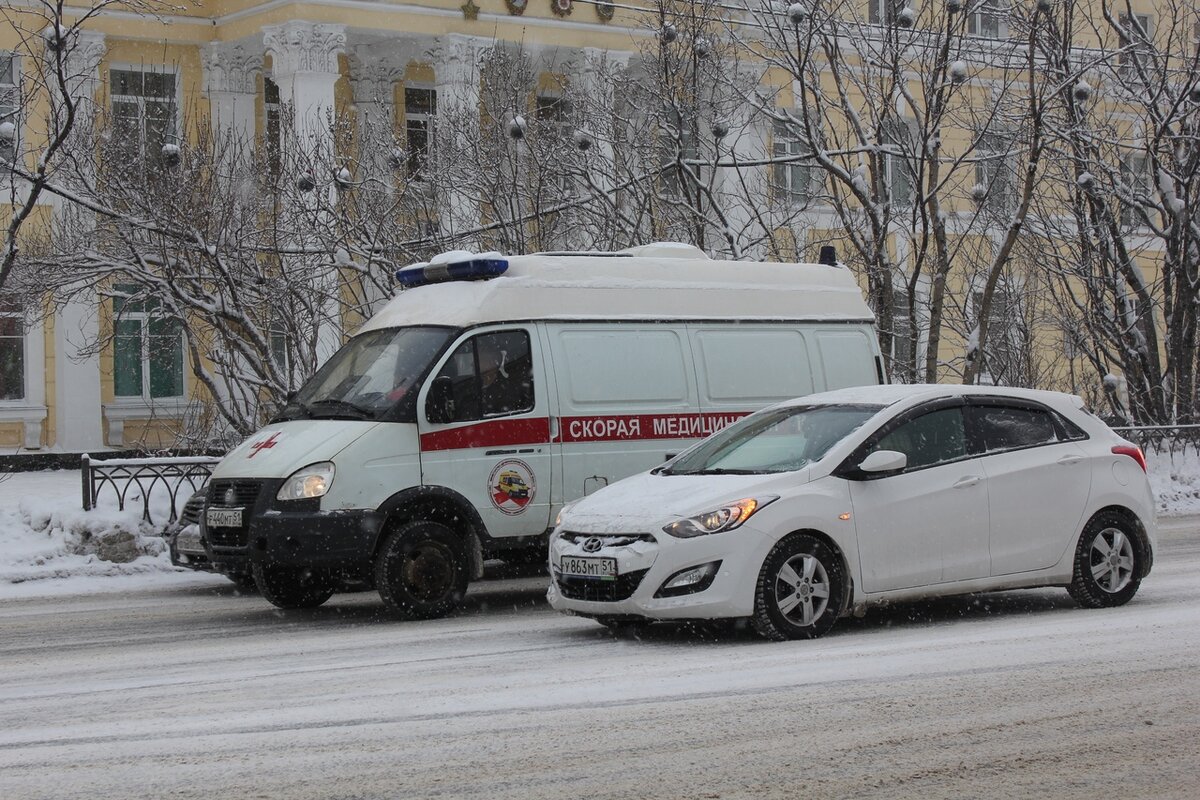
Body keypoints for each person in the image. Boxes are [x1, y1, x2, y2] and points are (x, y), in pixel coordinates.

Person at [478, 338, 531, 415]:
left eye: (479, 359)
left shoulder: (506, 392)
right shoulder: (475, 386)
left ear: (491, 363)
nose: (472, 363)